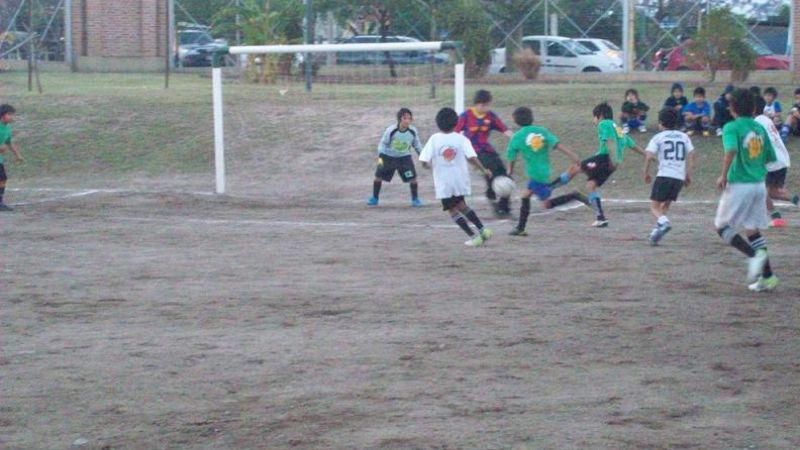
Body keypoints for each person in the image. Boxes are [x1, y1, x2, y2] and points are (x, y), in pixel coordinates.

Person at [714, 88, 778, 292]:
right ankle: (768, 277)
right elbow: (769, 158)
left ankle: (754, 256)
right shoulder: (760, 128)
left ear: (732, 108)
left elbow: (731, 149)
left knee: (722, 227)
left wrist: (723, 175)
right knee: (752, 229)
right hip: (758, 184)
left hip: (740, 183)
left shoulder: (731, 127)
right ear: (752, 108)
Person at [549, 102, 646, 228]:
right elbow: (633, 145)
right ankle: (600, 217)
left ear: (599, 116)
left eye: (594, 117)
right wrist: (647, 155)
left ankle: (549, 187)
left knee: (575, 167)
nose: (593, 120)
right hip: (614, 164)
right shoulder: (618, 129)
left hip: (605, 158)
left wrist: (611, 157)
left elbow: (609, 140)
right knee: (591, 185)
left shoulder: (604, 124)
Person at [505, 106, 588, 236]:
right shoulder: (542, 131)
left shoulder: (517, 137)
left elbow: (511, 157)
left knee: (546, 204)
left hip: (535, 174)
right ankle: (520, 228)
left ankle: (574, 195)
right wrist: (573, 155)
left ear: (516, 121)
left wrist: (509, 172)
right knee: (525, 195)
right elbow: (557, 144)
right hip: (545, 171)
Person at [419, 107, 493, 247]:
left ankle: (473, 237)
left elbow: (423, 159)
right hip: (459, 180)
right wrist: (483, 170)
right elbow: (472, 157)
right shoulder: (461, 139)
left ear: (438, 123)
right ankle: (483, 230)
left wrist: (426, 166)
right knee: (462, 206)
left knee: (452, 210)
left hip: (444, 182)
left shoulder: (434, 139)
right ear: (456, 123)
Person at [455, 89, 514, 216]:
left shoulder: (490, 116)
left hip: (487, 149)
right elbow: (454, 132)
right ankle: (493, 200)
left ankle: (505, 207)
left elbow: (504, 129)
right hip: (472, 152)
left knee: (505, 174)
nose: (485, 107)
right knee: (491, 173)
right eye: (482, 105)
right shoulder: (466, 116)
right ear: (476, 104)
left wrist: (516, 138)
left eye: (487, 105)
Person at [642, 108, 695, 245]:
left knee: (654, 206)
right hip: (678, 177)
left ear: (661, 123)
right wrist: (688, 174)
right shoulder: (684, 137)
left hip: (664, 175)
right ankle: (656, 233)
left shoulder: (658, 137)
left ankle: (664, 223)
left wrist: (646, 172)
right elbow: (691, 154)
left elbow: (649, 156)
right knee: (665, 205)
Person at [753, 96, 800, 228]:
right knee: (774, 192)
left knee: (760, 191)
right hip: (782, 158)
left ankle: (776, 217)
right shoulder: (766, 119)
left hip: (772, 160)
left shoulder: (756, 122)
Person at [367, 108, 424, 207]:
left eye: (409, 118)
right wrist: (381, 154)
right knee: (378, 176)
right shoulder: (391, 130)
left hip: (404, 158)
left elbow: (417, 144)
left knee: (413, 178)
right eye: (404, 118)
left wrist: (422, 156)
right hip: (387, 156)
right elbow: (383, 143)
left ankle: (415, 199)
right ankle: (374, 198)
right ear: (399, 119)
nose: (407, 121)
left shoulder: (412, 131)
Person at [0, 104, 24, 211]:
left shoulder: (7, 128)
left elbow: (9, 142)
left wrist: (18, 155)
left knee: (3, 179)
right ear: (2, 115)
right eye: (10, 114)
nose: (12, 117)